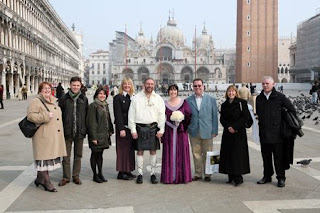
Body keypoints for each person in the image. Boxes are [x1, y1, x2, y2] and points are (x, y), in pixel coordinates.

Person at [256, 76, 296, 187]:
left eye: (267, 83)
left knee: (279, 157)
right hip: (264, 132)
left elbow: (292, 110)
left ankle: (281, 178)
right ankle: (267, 176)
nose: (265, 85)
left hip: (277, 133)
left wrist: (283, 123)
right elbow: (259, 113)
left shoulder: (280, 97)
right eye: (263, 83)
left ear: (273, 84)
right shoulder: (259, 98)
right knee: (266, 157)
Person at [27, 82, 66, 192]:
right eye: (44, 88)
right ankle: (47, 183)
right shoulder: (36, 101)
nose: (47, 90)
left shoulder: (53, 100)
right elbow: (30, 116)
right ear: (40, 90)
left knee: (47, 160)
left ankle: (39, 179)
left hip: (53, 136)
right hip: (43, 137)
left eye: (49, 88)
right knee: (43, 160)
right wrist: (45, 116)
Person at [128, 77, 165, 184]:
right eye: (148, 84)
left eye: (152, 84)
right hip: (139, 127)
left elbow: (162, 115)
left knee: (153, 151)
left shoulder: (158, 98)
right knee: (140, 151)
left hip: (153, 127)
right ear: (144, 84)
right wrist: (133, 130)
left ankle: (153, 174)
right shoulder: (136, 98)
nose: (150, 86)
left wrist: (161, 129)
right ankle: (140, 173)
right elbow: (131, 114)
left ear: (154, 85)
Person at [219, 85, 252, 186]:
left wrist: (235, 127)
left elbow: (245, 117)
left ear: (236, 92)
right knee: (228, 154)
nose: (231, 93)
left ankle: (238, 177)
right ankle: (230, 175)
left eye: (233, 91)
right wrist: (228, 127)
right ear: (227, 93)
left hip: (239, 133)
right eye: (229, 92)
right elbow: (222, 118)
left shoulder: (242, 103)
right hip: (228, 133)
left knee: (238, 155)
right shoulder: (224, 105)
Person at [186, 78, 218, 182]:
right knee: (196, 153)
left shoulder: (211, 99)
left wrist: (215, 130)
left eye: (199, 85)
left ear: (203, 86)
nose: (197, 88)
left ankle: (209, 173)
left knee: (209, 153)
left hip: (208, 130)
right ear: (192, 87)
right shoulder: (188, 100)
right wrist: (188, 128)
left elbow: (214, 116)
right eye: (195, 86)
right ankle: (198, 173)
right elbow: (187, 116)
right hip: (194, 130)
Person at [58, 77, 88, 186]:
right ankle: (66, 177)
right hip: (67, 131)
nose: (75, 87)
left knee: (78, 155)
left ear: (81, 86)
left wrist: (85, 129)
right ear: (70, 85)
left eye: (77, 85)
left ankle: (76, 176)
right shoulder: (63, 98)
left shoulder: (84, 99)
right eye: (73, 85)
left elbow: (86, 115)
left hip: (80, 131)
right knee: (66, 156)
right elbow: (59, 115)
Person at [161, 84, 192, 184]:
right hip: (169, 132)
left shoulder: (183, 102)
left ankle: (182, 176)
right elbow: (161, 117)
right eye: (171, 90)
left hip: (181, 132)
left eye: (174, 90)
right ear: (168, 92)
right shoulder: (164, 103)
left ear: (177, 91)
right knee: (169, 152)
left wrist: (182, 124)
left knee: (182, 151)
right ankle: (169, 177)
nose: (173, 92)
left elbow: (189, 115)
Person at [87, 87, 114, 183]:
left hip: (104, 134)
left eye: (104, 94)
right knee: (95, 154)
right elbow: (91, 123)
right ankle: (95, 175)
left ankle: (100, 173)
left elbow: (108, 119)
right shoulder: (93, 106)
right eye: (100, 94)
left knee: (100, 154)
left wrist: (110, 130)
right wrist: (93, 137)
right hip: (96, 135)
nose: (102, 96)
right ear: (96, 95)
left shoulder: (105, 105)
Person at [113, 78, 136, 180]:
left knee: (130, 150)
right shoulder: (118, 97)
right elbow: (118, 114)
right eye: (125, 84)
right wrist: (121, 128)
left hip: (131, 127)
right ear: (121, 86)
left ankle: (128, 170)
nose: (127, 86)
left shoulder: (133, 97)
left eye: (129, 84)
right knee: (122, 150)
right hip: (122, 128)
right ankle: (121, 172)